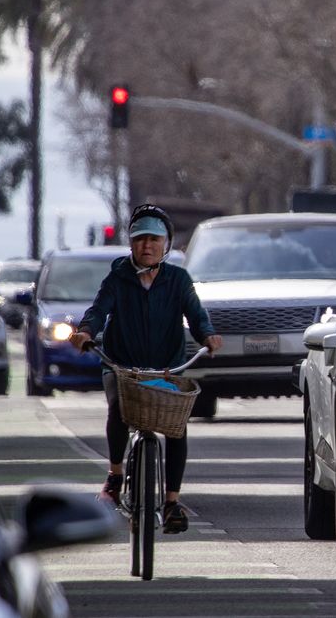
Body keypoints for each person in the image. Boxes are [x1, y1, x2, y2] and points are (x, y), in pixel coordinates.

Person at [68, 204, 223, 533]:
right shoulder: (118, 277)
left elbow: (196, 314)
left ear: (166, 244)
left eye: (154, 239)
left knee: (176, 426)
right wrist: (84, 332)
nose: (147, 245)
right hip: (121, 366)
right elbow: (98, 311)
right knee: (117, 407)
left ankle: (171, 501)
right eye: (140, 239)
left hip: (166, 369)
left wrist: (208, 335)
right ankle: (114, 474)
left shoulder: (178, 279)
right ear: (131, 244)